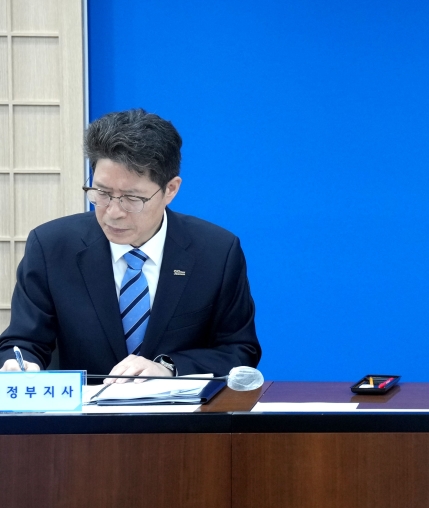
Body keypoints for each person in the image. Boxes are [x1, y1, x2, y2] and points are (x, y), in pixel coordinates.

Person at [0, 109, 260, 379]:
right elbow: (23, 341)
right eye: (102, 193)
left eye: (132, 198)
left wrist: (168, 368)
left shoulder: (216, 252)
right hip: (83, 406)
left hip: (178, 407)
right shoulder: (51, 246)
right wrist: (21, 364)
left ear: (170, 189)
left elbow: (239, 351)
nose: (113, 212)